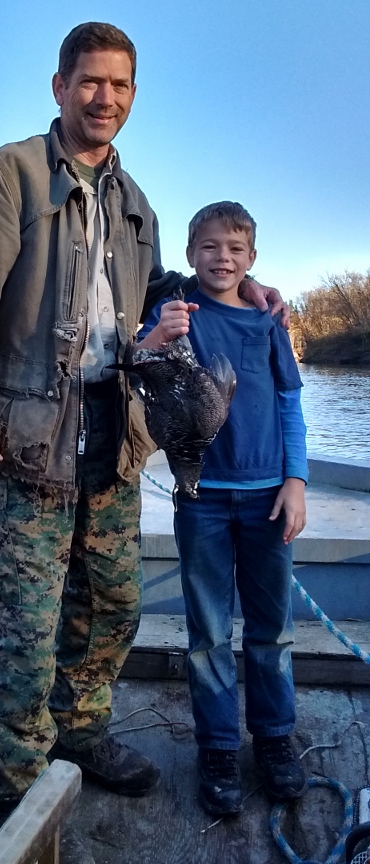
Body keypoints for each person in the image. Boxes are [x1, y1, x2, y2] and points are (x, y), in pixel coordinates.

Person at [0, 25, 287, 864]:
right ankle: (17, 791)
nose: (106, 99)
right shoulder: (8, 175)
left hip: (111, 431)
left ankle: (82, 733)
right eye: (91, 83)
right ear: (59, 87)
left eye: (121, 86)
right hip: (25, 434)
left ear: (134, 94)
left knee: (113, 604)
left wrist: (236, 285)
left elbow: (154, 288)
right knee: (24, 622)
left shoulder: (138, 202)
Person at [142, 200, 307, 818]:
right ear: (191, 255)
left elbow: (290, 403)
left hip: (268, 496)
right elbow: (137, 357)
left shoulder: (268, 322)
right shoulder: (176, 310)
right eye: (210, 247)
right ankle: (216, 746)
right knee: (209, 632)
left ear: (253, 260)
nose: (223, 259)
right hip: (201, 497)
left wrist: (297, 480)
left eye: (236, 251)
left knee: (272, 629)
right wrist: (158, 333)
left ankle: (274, 738)